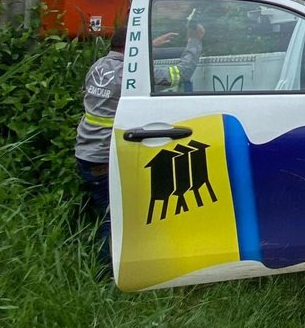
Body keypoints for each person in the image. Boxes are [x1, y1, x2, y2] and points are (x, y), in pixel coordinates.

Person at [75, 18, 206, 253]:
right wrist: (194, 41)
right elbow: (181, 73)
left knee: (106, 211)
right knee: (116, 220)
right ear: (132, 49)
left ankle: (99, 260)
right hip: (107, 157)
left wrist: (149, 45)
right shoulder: (132, 72)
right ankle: (109, 274)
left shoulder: (99, 66)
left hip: (87, 152)